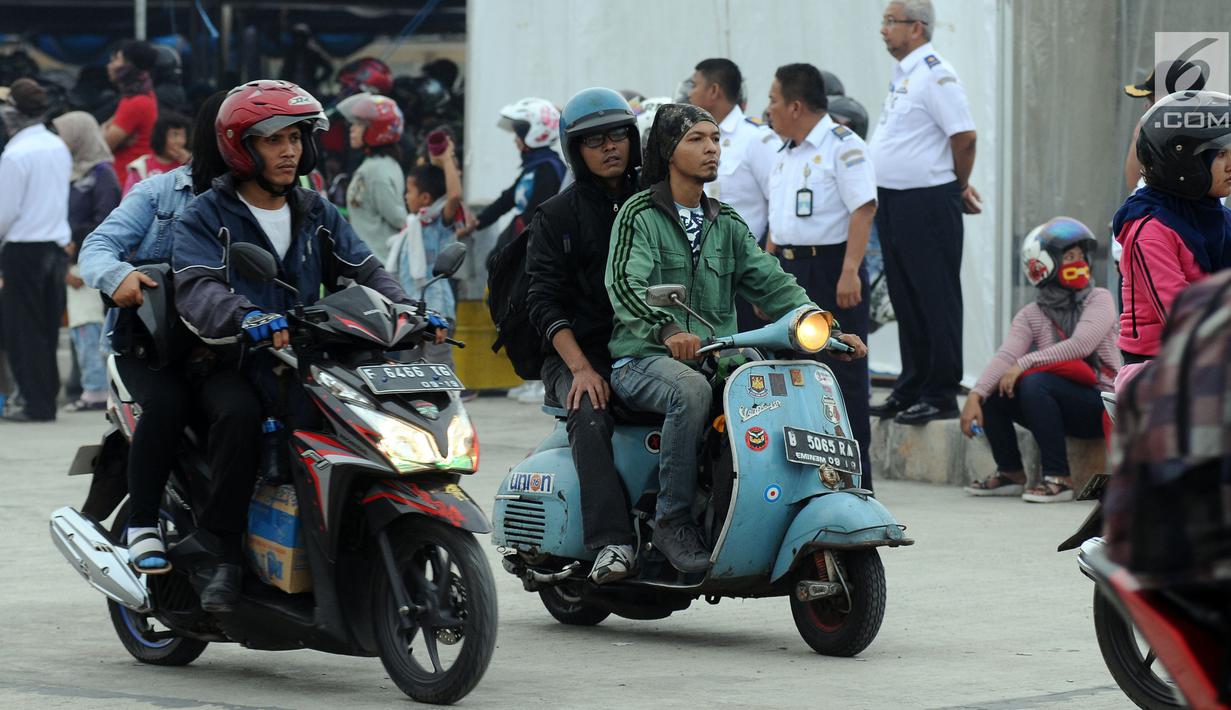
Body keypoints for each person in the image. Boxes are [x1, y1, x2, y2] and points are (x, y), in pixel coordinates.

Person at [171, 80, 420, 609]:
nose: (289, 151)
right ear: (241, 148)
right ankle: (221, 552)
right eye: (273, 140)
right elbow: (198, 288)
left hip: (307, 357)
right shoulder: (207, 216)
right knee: (239, 416)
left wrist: (410, 311)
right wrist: (247, 316)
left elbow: (365, 269)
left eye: (295, 138)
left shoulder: (316, 211)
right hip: (232, 359)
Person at [604, 103, 867, 573]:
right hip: (643, 358)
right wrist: (668, 329)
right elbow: (625, 284)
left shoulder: (725, 222)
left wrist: (827, 330)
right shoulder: (638, 215)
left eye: (715, 139)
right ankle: (672, 520)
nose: (711, 148)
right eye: (696, 139)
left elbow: (774, 283)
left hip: (716, 356)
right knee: (690, 391)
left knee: (782, 383)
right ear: (668, 150)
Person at [79, 92, 244, 589]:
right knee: (169, 405)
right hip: (153, 348)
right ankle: (143, 524)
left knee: (246, 412)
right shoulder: (160, 193)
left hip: (228, 349)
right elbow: (98, 246)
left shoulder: (271, 198)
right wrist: (120, 277)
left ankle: (226, 540)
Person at [526, 87, 642, 584]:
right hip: (575, 354)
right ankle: (611, 542)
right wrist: (579, 368)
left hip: (643, 348)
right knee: (590, 410)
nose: (609, 147)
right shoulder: (557, 215)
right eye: (594, 140)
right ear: (575, 150)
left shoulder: (652, 201)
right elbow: (542, 301)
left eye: (617, 134)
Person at [867, 0, 980, 425]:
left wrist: (958, 185)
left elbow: (965, 137)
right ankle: (912, 384)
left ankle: (941, 391)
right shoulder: (905, 74)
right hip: (895, 200)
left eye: (890, 21)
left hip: (928, 200)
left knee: (935, 296)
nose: (883, 29)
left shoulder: (935, 73)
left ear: (916, 27)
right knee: (905, 296)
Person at [764, 63, 877, 486]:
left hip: (830, 268)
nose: (769, 109)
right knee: (787, 374)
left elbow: (863, 207)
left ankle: (857, 483)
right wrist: (766, 275)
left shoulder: (842, 145)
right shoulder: (784, 152)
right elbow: (777, 223)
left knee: (841, 376)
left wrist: (850, 271)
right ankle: (807, 481)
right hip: (788, 268)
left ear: (795, 106)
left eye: (774, 100)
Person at [961, 218, 1120, 502]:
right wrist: (975, 394)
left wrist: (1024, 363)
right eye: (1069, 257)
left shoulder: (1099, 298)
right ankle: (1010, 472)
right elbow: (1006, 355)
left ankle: (1058, 478)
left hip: (1102, 404)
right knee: (994, 392)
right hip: (1056, 404)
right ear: (1043, 266)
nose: (1079, 263)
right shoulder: (1030, 314)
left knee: (1035, 382)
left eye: (1082, 256)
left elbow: (1081, 345)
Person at [1111, 90, 1231, 396]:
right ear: (1184, 161)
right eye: (1219, 154)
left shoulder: (1220, 219)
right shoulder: (1149, 231)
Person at [459, 97, 566, 404]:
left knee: (535, 310)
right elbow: (507, 199)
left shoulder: (549, 168)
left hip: (538, 251)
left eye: (520, 132)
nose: (516, 140)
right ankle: (532, 376)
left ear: (537, 132)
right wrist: (477, 223)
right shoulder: (533, 167)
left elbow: (539, 213)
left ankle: (543, 380)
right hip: (524, 249)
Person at [0, 79, 71, 422]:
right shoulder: (57, 145)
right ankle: (46, 398)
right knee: (47, 327)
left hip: (23, 250)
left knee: (23, 330)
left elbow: (5, 213)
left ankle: (35, 404)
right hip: (55, 247)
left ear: (15, 111)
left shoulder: (16, 154)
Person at [54, 110, 121, 412]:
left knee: (88, 325)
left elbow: (106, 221)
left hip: (90, 260)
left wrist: (76, 241)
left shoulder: (102, 174)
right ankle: (87, 387)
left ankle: (95, 390)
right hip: (71, 257)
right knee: (81, 326)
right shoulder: (74, 173)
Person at [686, 59, 781, 245]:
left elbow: (780, 204)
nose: (690, 94)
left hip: (748, 255)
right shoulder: (694, 138)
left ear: (714, 91)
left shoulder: (756, 139)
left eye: (695, 86)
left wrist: (764, 255)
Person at [387, 139, 464, 369]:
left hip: (437, 311)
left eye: (409, 191)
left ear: (425, 198)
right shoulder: (411, 226)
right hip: (411, 312)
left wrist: (446, 158)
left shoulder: (438, 223)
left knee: (438, 367)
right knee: (410, 369)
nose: (405, 196)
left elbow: (454, 196)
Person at [339, 92, 408, 264]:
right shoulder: (382, 164)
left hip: (377, 262)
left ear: (376, 130)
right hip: (370, 261)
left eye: (359, 124)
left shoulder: (375, 171)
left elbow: (397, 218)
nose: (352, 129)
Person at [103, 40, 159, 178]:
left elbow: (102, 146)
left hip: (126, 180)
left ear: (129, 66)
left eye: (116, 60)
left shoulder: (136, 102)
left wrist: (106, 128)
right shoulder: (142, 96)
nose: (109, 66)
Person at [122, 110, 191, 195]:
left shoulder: (189, 165)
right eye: (175, 135)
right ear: (161, 137)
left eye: (183, 136)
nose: (180, 141)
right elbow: (129, 197)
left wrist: (189, 164)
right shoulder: (141, 167)